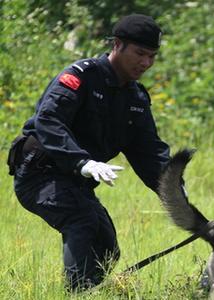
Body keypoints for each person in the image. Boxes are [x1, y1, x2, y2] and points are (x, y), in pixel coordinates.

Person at [7, 14, 170, 291]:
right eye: (140, 53)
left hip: (75, 182)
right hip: (39, 173)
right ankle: (79, 292)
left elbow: (149, 152)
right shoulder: (80, 77)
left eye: (152, 56)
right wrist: (81, 161)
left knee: (107, 248)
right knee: (81, 220)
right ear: (117, 45)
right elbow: (49, 120)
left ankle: (92, 291)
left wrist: (175, 191)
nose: (146, 63)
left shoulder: (135, 98)